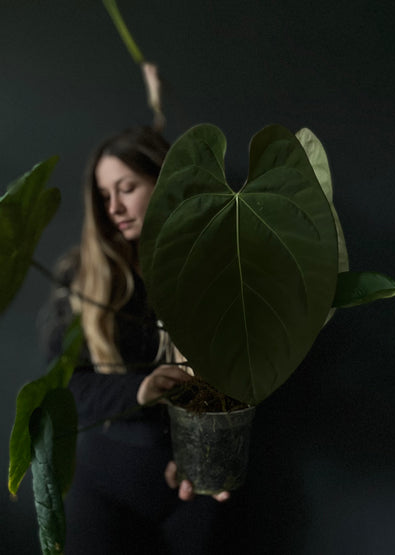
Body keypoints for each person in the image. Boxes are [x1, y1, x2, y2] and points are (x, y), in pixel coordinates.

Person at [41, 125, 229, 555]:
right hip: (103, 487)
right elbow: (67, 384)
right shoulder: (84, 277)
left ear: (165, 184)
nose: (114, 207)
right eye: (105, 195)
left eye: (127, 188)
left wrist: (207, 449)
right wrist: (139, 389)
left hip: (194, 493)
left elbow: (245, 374)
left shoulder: (216, 268)